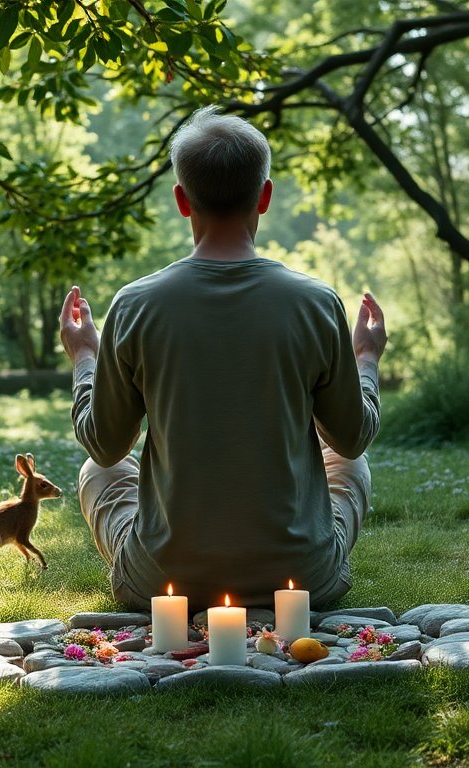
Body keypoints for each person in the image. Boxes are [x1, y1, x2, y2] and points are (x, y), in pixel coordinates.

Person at [59, 106, 387, 610]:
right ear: (266, 195)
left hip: (159, 584)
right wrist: (365, 357)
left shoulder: (135, 305)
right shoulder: (316, 303)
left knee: (96, 473)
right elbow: (350, 435)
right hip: (301, 584)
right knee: (351, 462)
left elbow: (106, 446)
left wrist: (85, 355)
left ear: (182, 201)